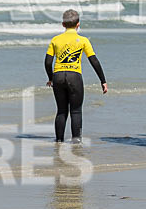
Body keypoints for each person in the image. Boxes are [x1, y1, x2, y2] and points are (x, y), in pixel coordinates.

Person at [44, 9, 108, 144]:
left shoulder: (55, 40)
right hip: (74, 76)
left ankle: (59, 141)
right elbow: (94, 60)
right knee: (76, 111)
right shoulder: (83, 41)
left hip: (58, 76)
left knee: (61, 111)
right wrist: (103, 80)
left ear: (63, 24)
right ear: (78, 24)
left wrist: (51, 78)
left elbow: (48, 61)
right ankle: (76, 141)